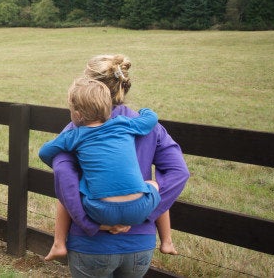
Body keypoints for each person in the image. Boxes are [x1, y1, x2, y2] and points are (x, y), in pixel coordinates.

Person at [48, 54, 189, 277]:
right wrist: (143, 211)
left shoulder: (78, 128)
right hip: (140, 244)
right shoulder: (147, 126)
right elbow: (179, 172)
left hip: (91, 243)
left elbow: (64, 178)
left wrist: (93, 224)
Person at [40, 77, 164, 262]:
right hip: (139, 208)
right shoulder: (124, 124)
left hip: (99, 211)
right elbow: (150, 120)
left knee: (80, 187)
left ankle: (101, 228)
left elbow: (44, 152)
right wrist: (144, 110)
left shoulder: (75, 135)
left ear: (78, 114)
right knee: (153, 183)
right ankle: (166, 238)